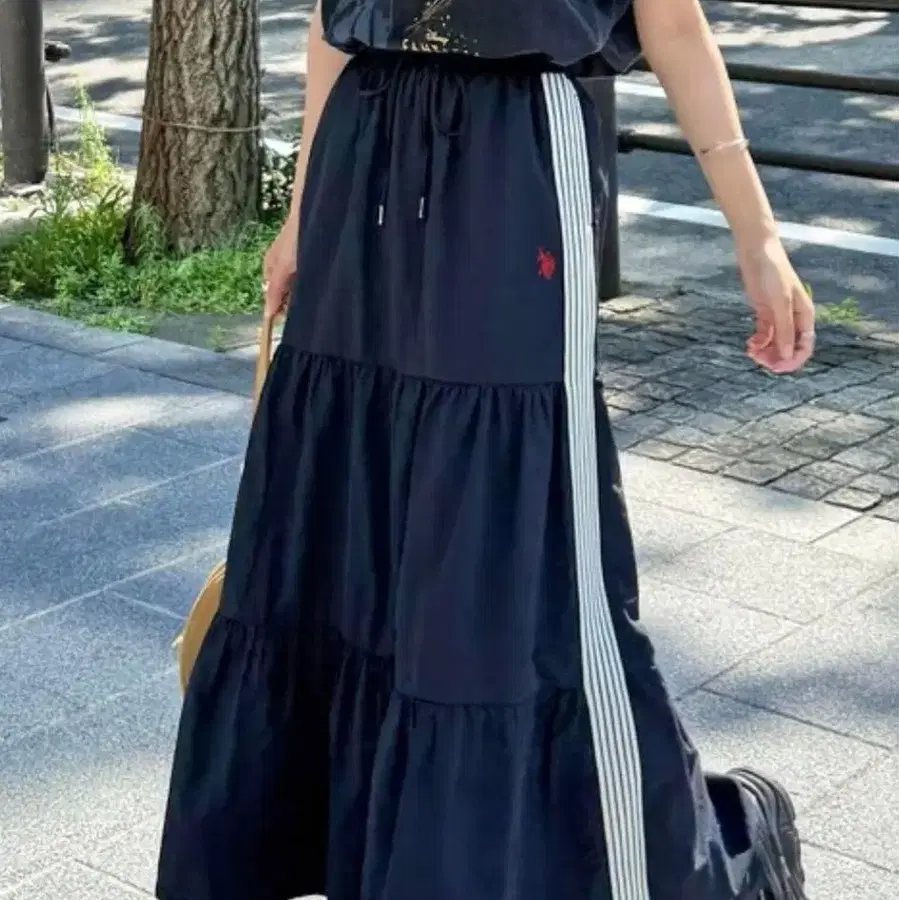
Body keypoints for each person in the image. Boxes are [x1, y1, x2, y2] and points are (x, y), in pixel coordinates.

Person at [156, 1, 815, 898]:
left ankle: (658, 848)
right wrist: (303, 212)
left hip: (515, 163)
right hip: (363, 163)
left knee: (505, 534)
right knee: (359, 516)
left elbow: (672, 24)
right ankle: (375, 844)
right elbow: (330, 18)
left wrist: (758, 233)